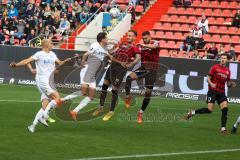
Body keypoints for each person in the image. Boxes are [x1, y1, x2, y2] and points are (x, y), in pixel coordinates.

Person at [10, 39, 71, 133]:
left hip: (49, 81)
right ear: (45, 45)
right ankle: (44, 116)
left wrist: (65, 61)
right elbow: (27, 61)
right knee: (57, 98)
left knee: (45, 104)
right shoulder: (39, 54)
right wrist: (16, 65)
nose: (52, 45)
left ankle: (33, 126)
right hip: (43, 81)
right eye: (51, 43)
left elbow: (60, 63)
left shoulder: (53, 54)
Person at [92, 30, 141, 121]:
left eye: (130, 36)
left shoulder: (135, 47)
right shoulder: (122, 44)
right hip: (112, 66)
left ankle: (111, 111)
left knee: (114, 89)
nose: (128, 37)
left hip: (121, 69)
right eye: (128, 35)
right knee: (105, 85)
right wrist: (110, 52)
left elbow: (138, 57)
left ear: (135, 37)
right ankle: (100, 107)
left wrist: (131, 64)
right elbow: (115, 51)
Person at [69, 32, 119, 121]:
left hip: (92, 74)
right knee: (83, 92)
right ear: (102, 39)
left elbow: (109, 54)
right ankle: (62, 100)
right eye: (106, 38)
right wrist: (83, 62)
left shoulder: (104, 48)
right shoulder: (95, 45)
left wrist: (114, 46)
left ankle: (75, 111)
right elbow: (85, 54)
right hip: (87, 70)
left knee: (91, 97)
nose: (107, 39)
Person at [185, 54, 236, 133]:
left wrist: (231, 84)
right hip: (212, 91)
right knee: (209, 110)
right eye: (222, 58)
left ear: (227, 60)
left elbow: (228, 83)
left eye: (224, 58)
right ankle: (193, 112)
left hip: (221, 92)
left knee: (225, 109)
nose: (223, 59)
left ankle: (223, 128)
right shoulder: (215, 67)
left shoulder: (228, 71)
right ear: (220, 59)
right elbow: (208, 78)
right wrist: (211, 83)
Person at [124, 31, 160, 123]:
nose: (144, 40)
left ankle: (140, 112)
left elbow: (154, 47)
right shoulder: (140, 46)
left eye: (146, 38)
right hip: (143, 68)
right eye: (143, 38)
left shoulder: (155, 43)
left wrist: (143, 46)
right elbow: (135, 55)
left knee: (148, 94)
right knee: (128, 78)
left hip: (152, 70)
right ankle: (128, 97)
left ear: (150, 37)